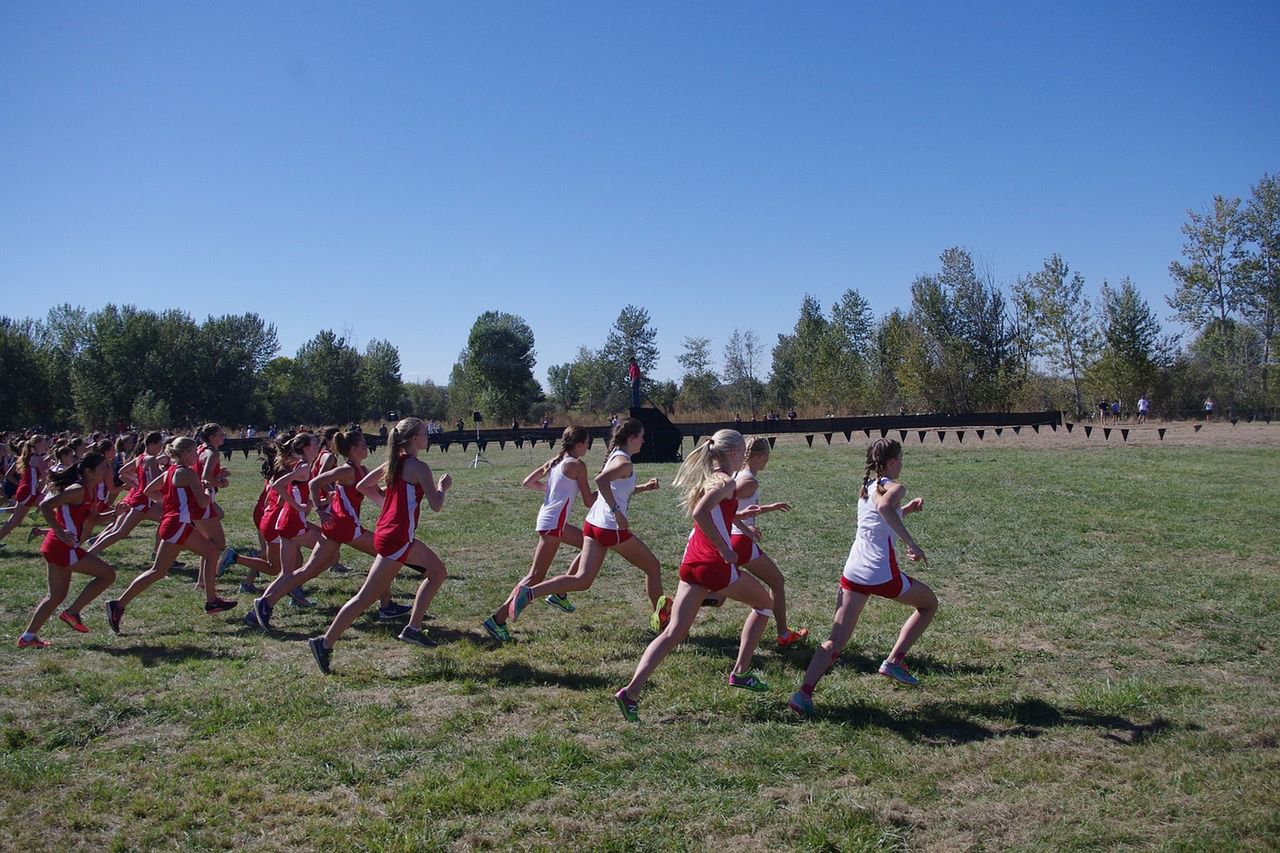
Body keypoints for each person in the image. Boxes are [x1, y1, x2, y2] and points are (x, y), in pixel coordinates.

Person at [613, 430, 774, 722]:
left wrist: (742, 525)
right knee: (764, 604)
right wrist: (725, 548)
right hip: (714, 564)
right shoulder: (725, 480)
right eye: (742, 453)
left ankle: (630, 693)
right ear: (735, 453)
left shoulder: (709, 476)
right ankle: (741, 672)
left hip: (692, 562)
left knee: (675, 632)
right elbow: (701, 512)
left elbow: (716, 514)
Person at [788, 438, 937, 717]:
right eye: (901, 459)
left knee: (835, 641)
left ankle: (803, 694)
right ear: (892, 462)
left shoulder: (867, 487)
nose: (902, 464)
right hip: (880, 572)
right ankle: (894, 661)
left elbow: (881, 517)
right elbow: (884, 509)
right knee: (929, 604)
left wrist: (906, 512)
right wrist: (912, 544)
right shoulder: (895, 487)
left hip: (854, 571)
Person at [308, 417, 452, 673]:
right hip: (397, 538)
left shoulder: (392, 463)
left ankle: (413, 628)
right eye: (424, 433)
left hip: (395, 535)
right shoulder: (419, 467)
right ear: (414, 439)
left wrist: (387, 503)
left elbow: (364, 486)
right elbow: (437, 505)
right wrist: (443, 487)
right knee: (366, 596)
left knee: (437, 572)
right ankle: (324, 642)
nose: (428, 436)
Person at [504, 417, 669, 635]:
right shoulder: (624, 462)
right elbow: (601, 481)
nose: (643, 441)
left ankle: (529, 593)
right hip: (610, 528)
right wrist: (617, 513)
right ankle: (664, 624)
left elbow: (615, 489)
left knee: (582, 580)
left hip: (594, 525)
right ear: (631, 438)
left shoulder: (617, 457)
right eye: (641, 437)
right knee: (653, 567)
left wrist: (644, 488)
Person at [246, 429, 408, 632]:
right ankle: (386, 606)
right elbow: (315, 482)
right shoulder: (347, 470)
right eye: (364, 444)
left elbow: (376, 493)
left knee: (309, 570)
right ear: (353, 449)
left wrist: (401, 490)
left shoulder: (363, 470)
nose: (367, 447)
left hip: (340, 527)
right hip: (344, 526)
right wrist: (321, 510)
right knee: (384, 553)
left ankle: (264, 604)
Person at [105, 437, 238, 633]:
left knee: (210, 552)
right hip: (177, 525)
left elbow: (149, 490)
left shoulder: (170, 471)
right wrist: (211, 489)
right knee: (158, 571)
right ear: (184, 454)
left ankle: (212, 601)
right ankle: (118, 605)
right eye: (194, 452)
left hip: (174, 523)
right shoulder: (188, 473)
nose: (197, 456)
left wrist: (169, 504)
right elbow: (203, 503)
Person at [483, 426, 596, 642]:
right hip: (554, 524)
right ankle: (497, 620)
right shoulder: (577, 465)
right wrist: (609, 489)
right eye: (587, 442)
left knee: (591, 544)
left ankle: (561, 593)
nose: (588, 446)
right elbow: (589, 501)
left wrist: (554, 491)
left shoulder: (557, 461)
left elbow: (528, 482)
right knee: (535, 576)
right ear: (579, 443)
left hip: (551, 521)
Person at [17, 452, 118, 647]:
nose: (107, 469)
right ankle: (72, 613)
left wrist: (115, 514)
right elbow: (46, 506)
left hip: (61, 547)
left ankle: (27, 638)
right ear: (89, 471)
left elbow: (93, 519)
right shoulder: (77, 490)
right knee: (108, 575)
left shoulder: (92, 488)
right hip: (62, 546)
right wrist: (60, 532)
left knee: (55, 596)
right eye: (103, 466)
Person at [732, 437, 807, 647]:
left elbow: (736, 510)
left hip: (733, 539)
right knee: (777, 582)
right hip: (740, 541)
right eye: (767, 456)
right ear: (760, 456)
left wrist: (769, 507)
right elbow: (722, 509)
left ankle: (675, 610)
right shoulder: (748, 481)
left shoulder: (740, 475)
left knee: (718, 593)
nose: (767, 461)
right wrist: (747, 529)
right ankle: (784, 634)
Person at [0, 435, 50, 545]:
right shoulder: (36, 457)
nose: (46, 445)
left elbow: (42, 475)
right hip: (28, 492)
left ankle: (53, 535)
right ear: (37, 445)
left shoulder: (33, 456)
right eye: (43, 443)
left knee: (53, 507)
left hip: (30, 491)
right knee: (14, 521)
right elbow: (47, 474)